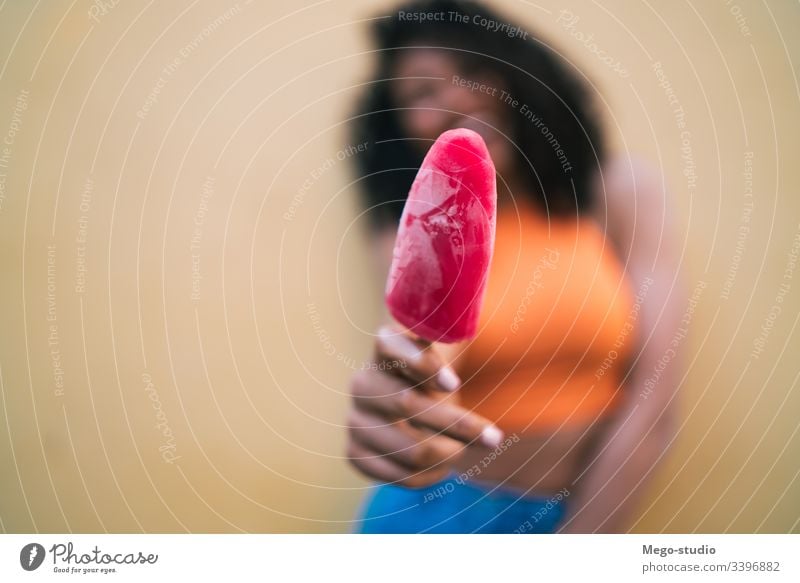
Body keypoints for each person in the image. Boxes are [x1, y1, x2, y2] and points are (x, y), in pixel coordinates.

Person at [345, 0, 685, 533]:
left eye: (473, 72)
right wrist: (391, 402)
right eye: (423, 93)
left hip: (580, 519)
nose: (457, 97)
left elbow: (655, 405)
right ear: (402, 128)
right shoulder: (406, 231)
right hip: (430, 520)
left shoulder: (619, 195)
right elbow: (424, 364)